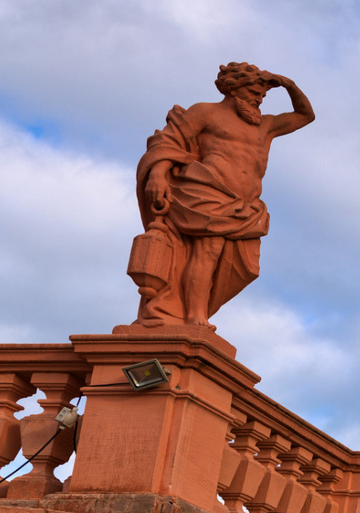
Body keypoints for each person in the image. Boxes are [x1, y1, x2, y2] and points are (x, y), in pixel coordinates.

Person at [126, 62, 316, 331]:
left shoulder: (266, 125)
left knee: (238, 264)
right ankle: (194, 316)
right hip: (206, 194)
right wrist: (157, 175)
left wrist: (289, 85)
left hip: (245, 207)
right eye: (253, 91)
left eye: (262, 95)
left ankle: (192, 311)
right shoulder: (206, 112)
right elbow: (169, 141)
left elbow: (305, 115)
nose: (258, 98)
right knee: (208, 251)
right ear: (233, 89)